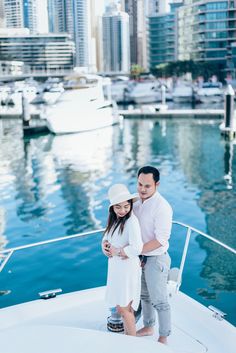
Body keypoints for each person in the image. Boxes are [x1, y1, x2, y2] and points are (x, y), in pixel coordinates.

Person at [133, 166, 172, 345]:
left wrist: (135, 251)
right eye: (140, 184)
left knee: (159, 301)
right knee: (144, 296)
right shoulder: (135, 202)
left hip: (156, 258)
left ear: (157, 184)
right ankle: (148, 327)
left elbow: (160, 240)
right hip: (140, 257)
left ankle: (163, 337)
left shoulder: (162, 207)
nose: (142, 189)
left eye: (147, 186)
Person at [102, 184, 143, 336]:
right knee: (121, 307)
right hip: (116, 268)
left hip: (126, 269)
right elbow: (107, 237)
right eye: (118, 207)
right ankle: (128, 338)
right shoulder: (114, 220)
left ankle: (131, 343)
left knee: (125, 309)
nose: (123, 210)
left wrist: (117, 251)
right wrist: (104, 246)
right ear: (112, 208)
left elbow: (137, 248)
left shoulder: (131, 222)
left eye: (126, 206)